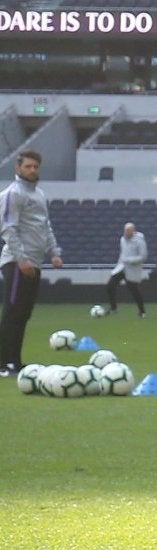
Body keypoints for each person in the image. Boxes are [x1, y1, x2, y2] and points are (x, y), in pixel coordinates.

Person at [0, 149, 62, 378]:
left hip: (34, 263)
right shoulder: (12, 194)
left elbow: (45, 226)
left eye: (35, 166)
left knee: (24, 314)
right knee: (12, 312)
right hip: (17, 263)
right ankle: (2, 363)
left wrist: (54, 251)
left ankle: (15, 362)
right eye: (28, 166)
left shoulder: (39, 195)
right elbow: (8, 228)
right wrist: (22, 259)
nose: (32, 170)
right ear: (18, 168)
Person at [105, 221, 157, 317]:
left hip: (132, 269)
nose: (126, 232)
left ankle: (142, 311)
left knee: (134, 290)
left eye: (128, 230)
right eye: (125, 230)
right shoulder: (122, 239)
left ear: (133, 231)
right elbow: (122, 253)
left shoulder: (139, 241)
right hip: (121, 267)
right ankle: (113, 308)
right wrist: (121, 263)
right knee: (110, 285)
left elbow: (143, 257)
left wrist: (130, 260)